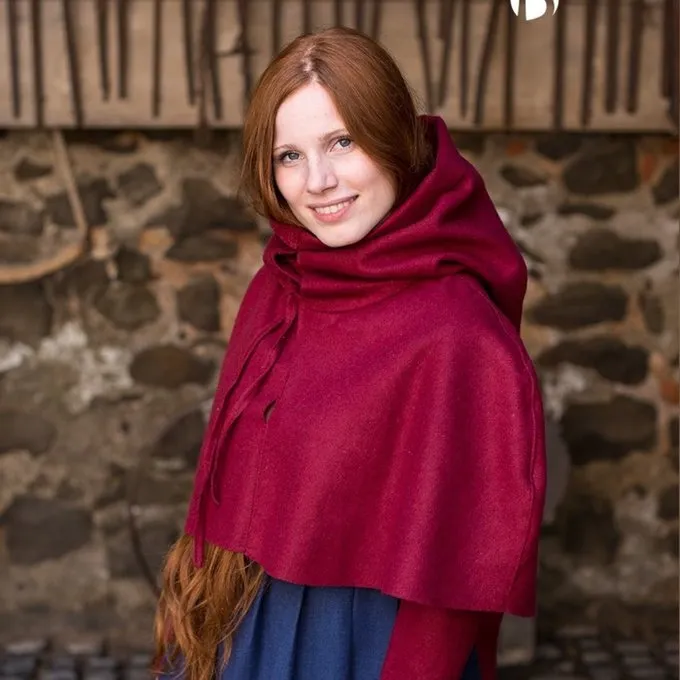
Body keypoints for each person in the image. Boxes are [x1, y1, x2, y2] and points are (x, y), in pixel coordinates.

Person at [153, 26, 546, 680]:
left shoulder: (456, 335)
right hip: (251, 628)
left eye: (343, 142)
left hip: (366, 646)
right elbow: (236, 475)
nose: (319, 181)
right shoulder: (280, 284)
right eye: (289, 155)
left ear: (394, 139)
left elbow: (450, 588)